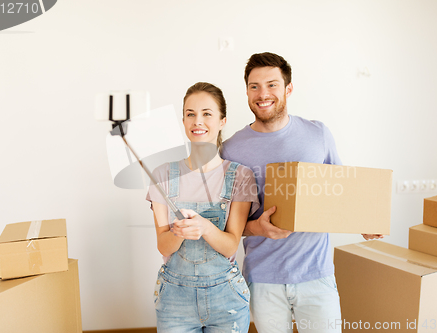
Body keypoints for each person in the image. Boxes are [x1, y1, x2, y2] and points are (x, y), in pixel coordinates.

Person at [221, 52, 383, 333]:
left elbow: (341, 191)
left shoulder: (317, 134)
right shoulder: (232, 149)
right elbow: (226, 225)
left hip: (316, 274)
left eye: (272, 84)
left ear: (288, 88)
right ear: (246, 90)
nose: (263, 94)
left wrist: (363, 223)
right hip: (264, 278)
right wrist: (257, 228)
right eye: (254, 86)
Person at [146, 82, 259, 333]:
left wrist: (205, 227)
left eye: (207, 114)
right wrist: (178, 231)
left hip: (226, 298)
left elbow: (231, 244)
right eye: (190, 114)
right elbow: (162, 246)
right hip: (174, 300)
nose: (198, 121)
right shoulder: (162, 175)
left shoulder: (240, 175)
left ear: (222, 121)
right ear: (183, 121)